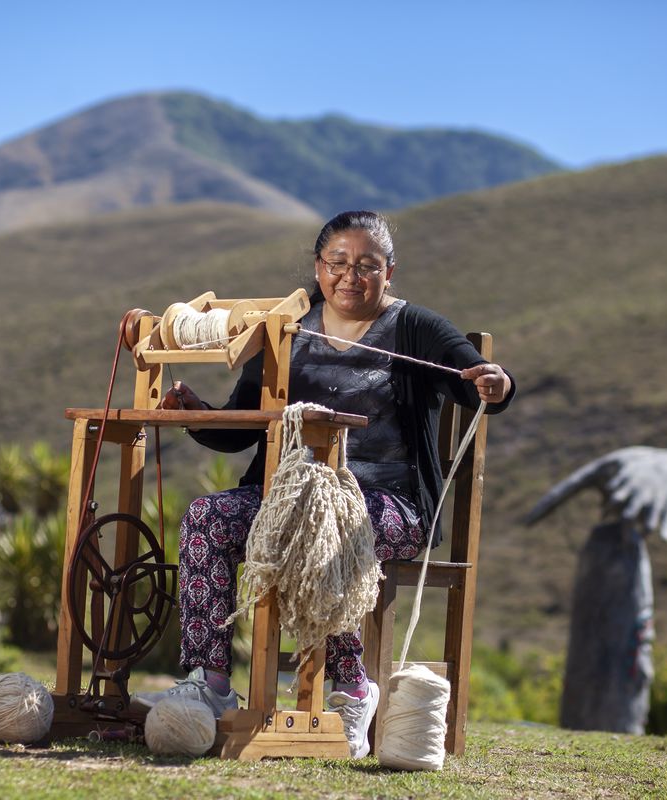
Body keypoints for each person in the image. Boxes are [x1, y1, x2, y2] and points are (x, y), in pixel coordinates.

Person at [139, 210, 515, 757]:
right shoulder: (284, 332)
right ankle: (211, 682)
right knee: (207, 518)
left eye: (367, 265)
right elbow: (239, 431)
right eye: (337, 262)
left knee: (323, 528)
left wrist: (495, 382)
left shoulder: (417, 329)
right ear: (318, 268)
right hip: (286, 501)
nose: (350, 276)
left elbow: (475, 378)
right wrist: (198, 413)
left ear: (390, 273)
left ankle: (352, 688)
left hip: (389, 507)